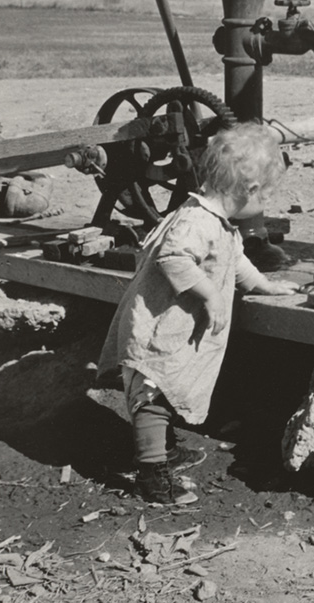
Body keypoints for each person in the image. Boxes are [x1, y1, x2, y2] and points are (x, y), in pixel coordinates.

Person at [97, 123, 300, 505]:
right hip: (157, 330)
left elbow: (233, 258)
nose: (266, 202)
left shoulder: (217, 222)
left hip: (173, 329)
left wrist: (263, 286)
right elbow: (174, 258)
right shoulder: (196, 221)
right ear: (251, 190)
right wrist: (209, 295)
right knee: (152, 396)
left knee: (166, 389)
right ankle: (151, 476)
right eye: (267, 195)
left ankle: (164, 451)